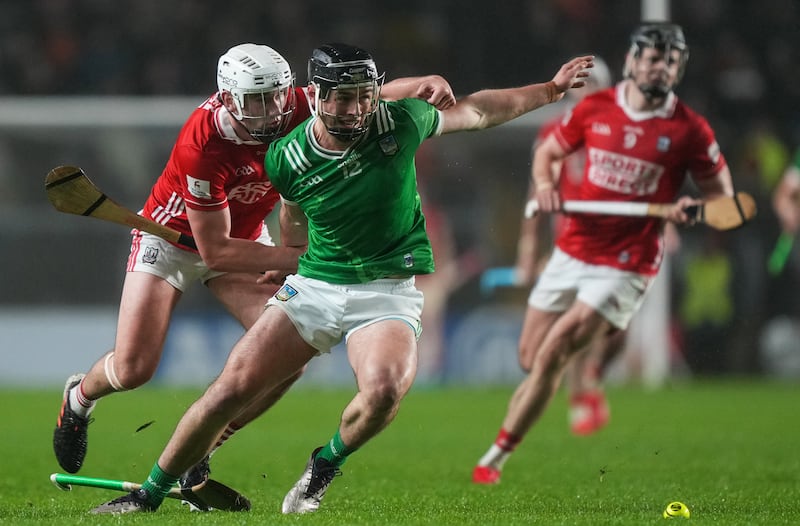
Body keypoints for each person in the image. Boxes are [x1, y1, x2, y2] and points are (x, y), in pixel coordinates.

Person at [88, 42, 593, 514]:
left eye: (364, 97)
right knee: (228, 390)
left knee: (383, 392)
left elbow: (481, 110)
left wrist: (549, 90)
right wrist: (291, 256)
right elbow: (290, 216)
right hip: (313, 287)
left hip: (386, 291)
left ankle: (324, 463)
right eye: (343, 99)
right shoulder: (284, 156)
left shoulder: (401, 122)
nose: (355, 110)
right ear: (319, 98)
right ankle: (149, 495)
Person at [52, 42, 458, 492]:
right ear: (227, 97)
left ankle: (201, 454)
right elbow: (216, 254)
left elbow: (363, 93)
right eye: (255, 101)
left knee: (289, 359)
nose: (269, 112)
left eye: (276, 97)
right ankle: (80, 396)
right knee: (133, 368)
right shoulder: (202, 143)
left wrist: (419, 86)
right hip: (173, 240)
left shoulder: (297, 103)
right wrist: (306, 261)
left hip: (245, 239)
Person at [472, 22, 736, 485]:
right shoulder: (594, 110)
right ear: (634, 62)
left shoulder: (692, 131)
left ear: (680, 69)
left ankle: (494, 458)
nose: (660, 66)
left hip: (628, 260)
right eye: (652, 57)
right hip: (572, 249)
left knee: (560, 344)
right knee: (532, 358)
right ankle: (578, 382)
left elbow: (727, 207)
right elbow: (546, 157)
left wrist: (698, 211)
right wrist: (548, 187)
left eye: (670, 60)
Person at [513, 56, 618, 436]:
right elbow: (536, 195)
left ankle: (587, 380)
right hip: (571, 243)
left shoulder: (623, 131)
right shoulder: (554, 134)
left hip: (617, 241)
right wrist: (528, 248)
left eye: (593, 85)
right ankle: (580, 392)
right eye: (581, 85)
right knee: (575, 323)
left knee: (614, 334)